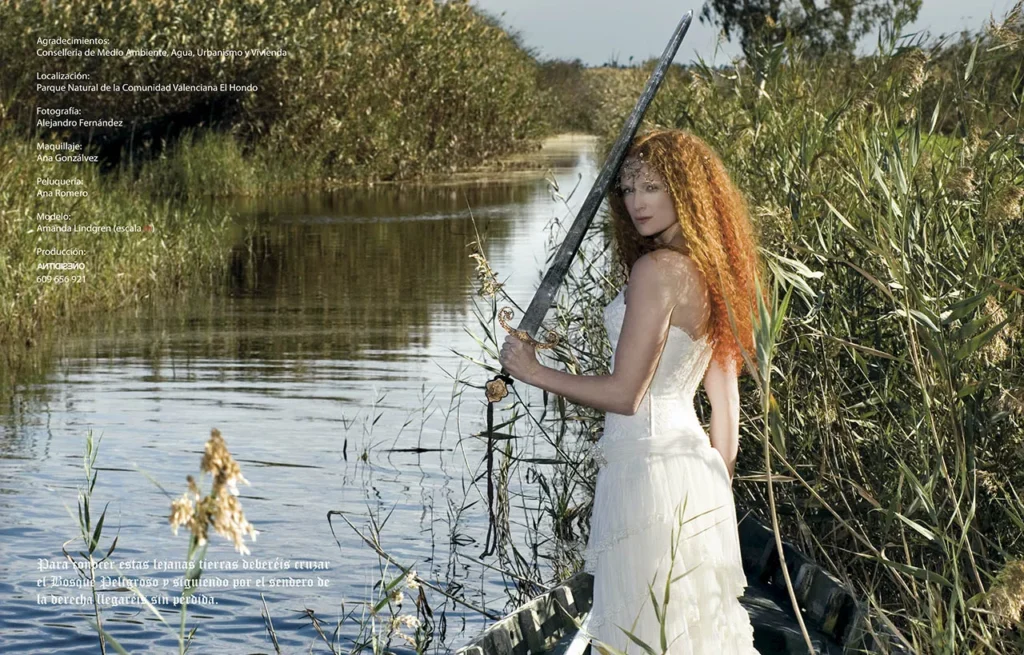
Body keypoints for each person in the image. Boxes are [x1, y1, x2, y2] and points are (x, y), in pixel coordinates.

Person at [499, 129, 763, 654]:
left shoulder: (656, 270)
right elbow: (725, 407)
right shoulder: (712, 272)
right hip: (696, 475)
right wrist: (712, 493)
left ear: (685, 191)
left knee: (637, 636)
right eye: (627, 188)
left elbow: (626, 395)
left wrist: (534, 371)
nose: (636, 202)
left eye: (652, 187)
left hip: (646, 471)